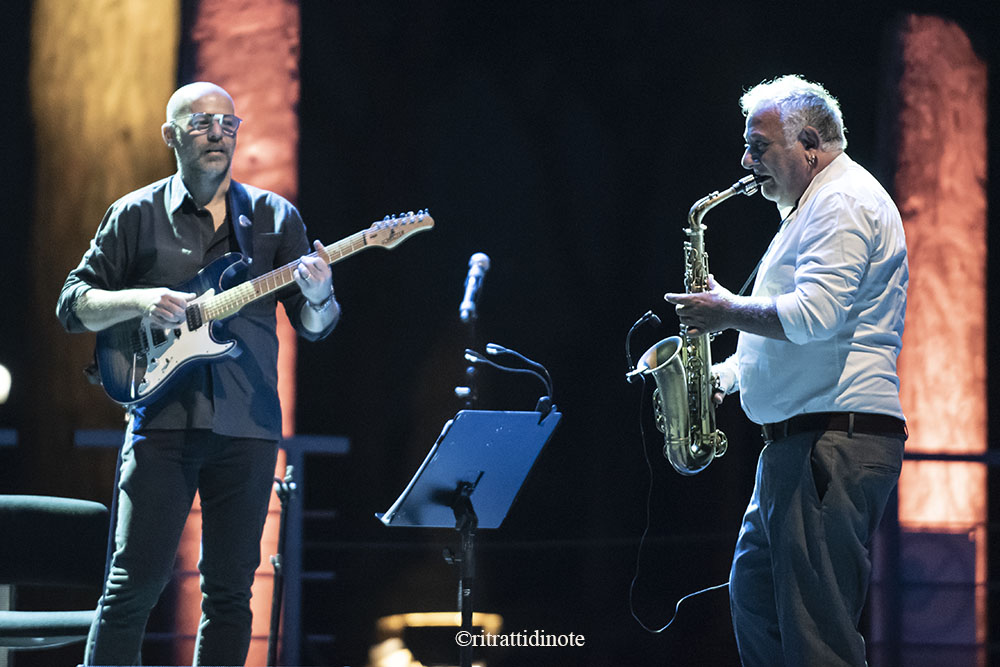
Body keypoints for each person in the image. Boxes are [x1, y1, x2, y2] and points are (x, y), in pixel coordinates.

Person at [57, 81, 341, 665]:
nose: (218, 133)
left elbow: (316, 327)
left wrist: (320, 295)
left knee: (232, 595)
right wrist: (138, 301)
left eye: (228, 124)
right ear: (170, 136)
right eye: (201, 123)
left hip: (249, 426)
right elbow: (72, 303)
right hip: (161, 421)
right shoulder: (134, 214)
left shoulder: (272, 217)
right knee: (132, 585)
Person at [665, 75, 908, 666]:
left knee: (815, 638)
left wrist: (725, 310)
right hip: (799, 443)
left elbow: (814, 317)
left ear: (808, 143)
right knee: (756, 605)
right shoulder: (810, 207)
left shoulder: (843, 202)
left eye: (759, 146)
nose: (747, 163)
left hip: (830, 440)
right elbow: (796, 338)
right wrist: (714, 379)